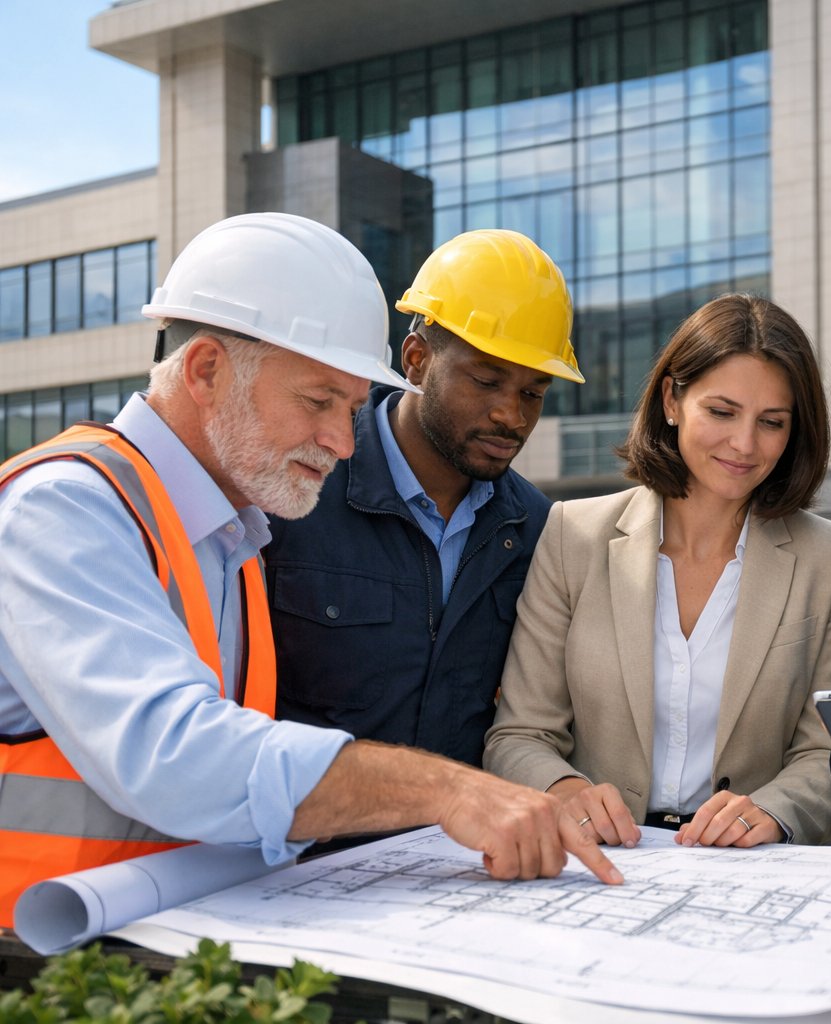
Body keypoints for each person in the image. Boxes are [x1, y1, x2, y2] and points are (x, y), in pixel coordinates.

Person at [0, 213, 619, 928]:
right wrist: (446, 790)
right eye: (319, 400)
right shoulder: (62, 508)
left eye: (351, 408)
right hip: (37, 945)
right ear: (205, 371)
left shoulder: (234, 530)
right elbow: (174, 756)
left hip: (172, 928)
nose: (342, 442)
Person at [483, 294, 831, 849]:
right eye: (722, 412)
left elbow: (829, 750)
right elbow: (520, 733)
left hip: (761, 862)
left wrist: (775, 812)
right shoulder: (572, 536)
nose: (744, 444)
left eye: (771, 422)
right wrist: (564, 790)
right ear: (671, 400)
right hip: (608, 857)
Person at [264, 230, 583, 766]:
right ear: (416, 359)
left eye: (533, 393)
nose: (511, 415)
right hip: (299, 821)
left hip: (465, 822)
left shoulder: (538, 533)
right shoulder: (299, 491)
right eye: (486, 381)